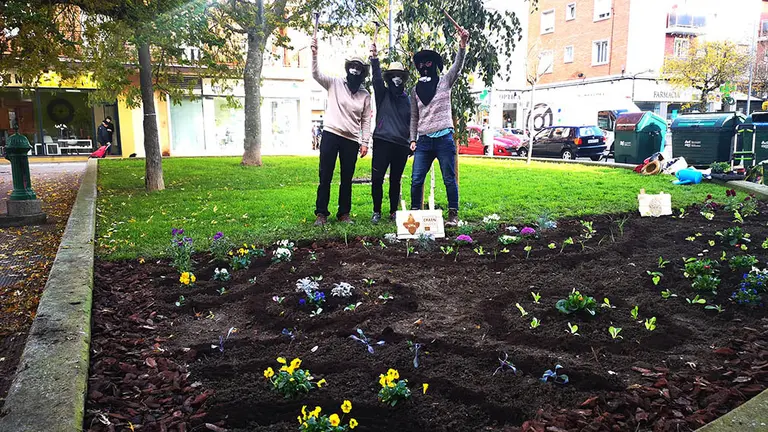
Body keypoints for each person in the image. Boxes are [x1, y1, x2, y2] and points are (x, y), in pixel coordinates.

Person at [409, 26, 469, 226]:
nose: (425, 66)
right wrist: (412, 139)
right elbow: (414, 117)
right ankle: (414, 215)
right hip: (424, 141)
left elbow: (457, 66)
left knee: (449, 179)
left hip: (444, 138)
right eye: (421, 64)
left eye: (429, 62)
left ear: (435, 64)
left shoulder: (445, 82)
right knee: (416, 180)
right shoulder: (414, 90)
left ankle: (453, 214)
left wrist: (462, 44)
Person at [311, 37, 372, 225]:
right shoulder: (334, 83)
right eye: (352, 66)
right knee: (325, 175)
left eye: (359, 68)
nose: (355, 70)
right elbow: (316, 74)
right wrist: (314, 54)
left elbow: (365, 120)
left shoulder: (365, 95)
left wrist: (364, 143)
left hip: (351, 140)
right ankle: (321, 214)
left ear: (363, 73)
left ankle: (344, 213)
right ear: (348, 68)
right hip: (331, 135)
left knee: (347, 178)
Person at [369, 41, 411, 224]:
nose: (396, 79)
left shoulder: (408, 99)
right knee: (377, 178)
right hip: (382, 141)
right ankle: (376, 211)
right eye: (393, 76)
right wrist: (374, 59)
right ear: (388, 79)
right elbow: (376, 78)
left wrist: (411, 141)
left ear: (403, 79)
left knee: (396, 180)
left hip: (401, 145)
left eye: (399, 76)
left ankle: (393, 212)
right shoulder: (382, 94)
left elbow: (413, 121)